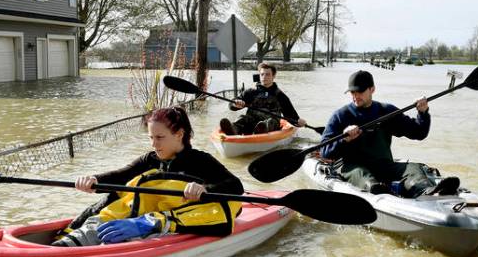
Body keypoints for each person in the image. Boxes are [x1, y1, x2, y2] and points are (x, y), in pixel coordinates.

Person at [53, 106, 245, 247]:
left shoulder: (200, 161)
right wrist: (93, 180)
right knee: (105, 211)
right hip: (137, 218)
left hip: (166, 222)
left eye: (159, 138)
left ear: (179, 134)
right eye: (151, 138)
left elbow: (235, 186)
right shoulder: (149, 160)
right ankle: (68, 242)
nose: (154, 144)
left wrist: (204, 189)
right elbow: (121, 176)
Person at [319, 70, 460, 198]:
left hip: (383, 165)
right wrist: (345, 139)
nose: (356, 96)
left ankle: (425, 190)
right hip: (352, 167)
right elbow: (325, 152)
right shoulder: (340, 116)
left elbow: (419, 133)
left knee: (413, 168)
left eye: (360, 91)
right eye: (352, 92)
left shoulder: (387, 111)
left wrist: (423, 113)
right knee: (361, 174)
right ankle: (377, 190)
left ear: (372, 89)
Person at [219, 62, 306, 135]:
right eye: (262, 74)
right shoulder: (250, 92)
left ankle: (261, 130)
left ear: (274, 76)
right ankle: (233, 130)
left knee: (270, 122)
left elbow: (290, 115)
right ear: (259, 75)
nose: (264, 77)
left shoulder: (280, 95)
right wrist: (235, 104)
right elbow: (231, 104)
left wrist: (298, 121)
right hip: (251, 122)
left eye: (268, 74)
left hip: (271, 125)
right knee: (242, 118)